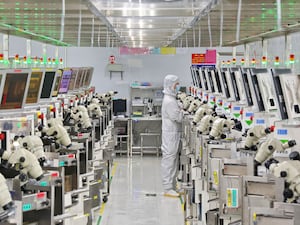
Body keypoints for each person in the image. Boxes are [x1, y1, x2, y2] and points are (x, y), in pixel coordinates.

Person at [161, 74, 183, 197]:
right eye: (176, 84)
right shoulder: (169, 101)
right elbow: (178, 118)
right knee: (169, 161)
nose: (178, 86)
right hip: (170, 136)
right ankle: (167, 188)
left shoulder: (171, 99)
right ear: (170, 85)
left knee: (173, 161)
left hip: (173, 134)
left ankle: (173, 186)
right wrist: (182, 111)